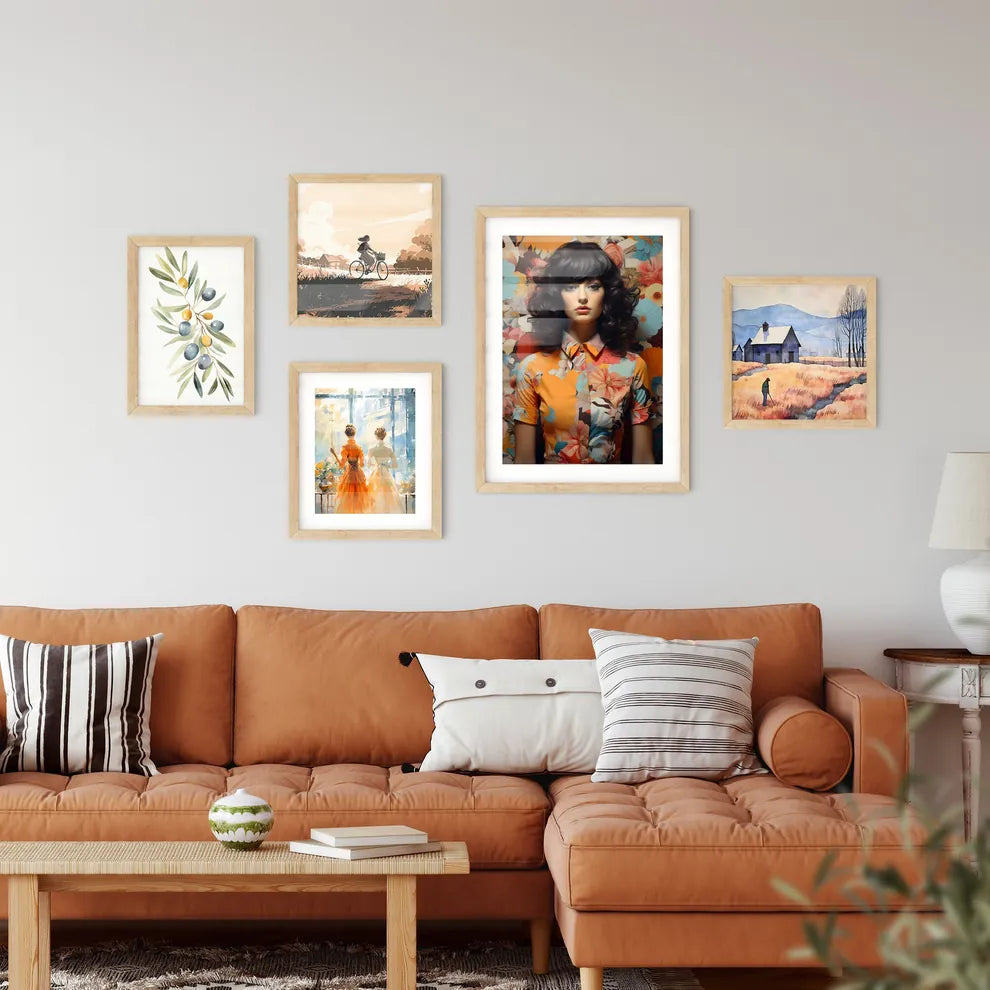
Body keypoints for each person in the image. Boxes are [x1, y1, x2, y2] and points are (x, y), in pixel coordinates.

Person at [512, 240, 654, 465]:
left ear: (607, 293)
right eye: (570, 287)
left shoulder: (633, 366)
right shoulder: (532, 368)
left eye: (593, 286)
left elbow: (644, 460)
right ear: (557, 294)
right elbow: (523, 462)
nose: (582, 297)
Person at [330, 425, 370, 513]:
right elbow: (362, 464)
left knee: (347, 499)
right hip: (358, 474)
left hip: (349, 475)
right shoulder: (359, 448)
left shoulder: (345, 447)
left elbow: (341, 465)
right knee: (359, 499)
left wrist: (334, 454)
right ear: (354, 434)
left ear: (346, 435)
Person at [366, 427, 402, 513]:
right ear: (384, 436)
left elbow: (368, 464)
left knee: (375, 493)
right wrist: (386, 465)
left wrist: (376, 464)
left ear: (376, 436)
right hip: (386, 472)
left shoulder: (372, 449)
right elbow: (395, 465)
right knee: (388, 494)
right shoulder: (389, 449)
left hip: (376, 472)